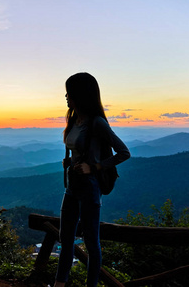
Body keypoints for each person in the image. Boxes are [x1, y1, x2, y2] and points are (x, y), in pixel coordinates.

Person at [54, 73, 130, 287]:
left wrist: (95, 166)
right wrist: (70, 163)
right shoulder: (73, 121)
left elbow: (124, 152)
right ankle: (60, 283)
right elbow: (78, 148)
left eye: (69, 92)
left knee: (91, 243)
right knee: (65, 238)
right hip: (72, 186)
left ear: (80, 94)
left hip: (89, 188)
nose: (66, 96)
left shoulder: (96, 123)